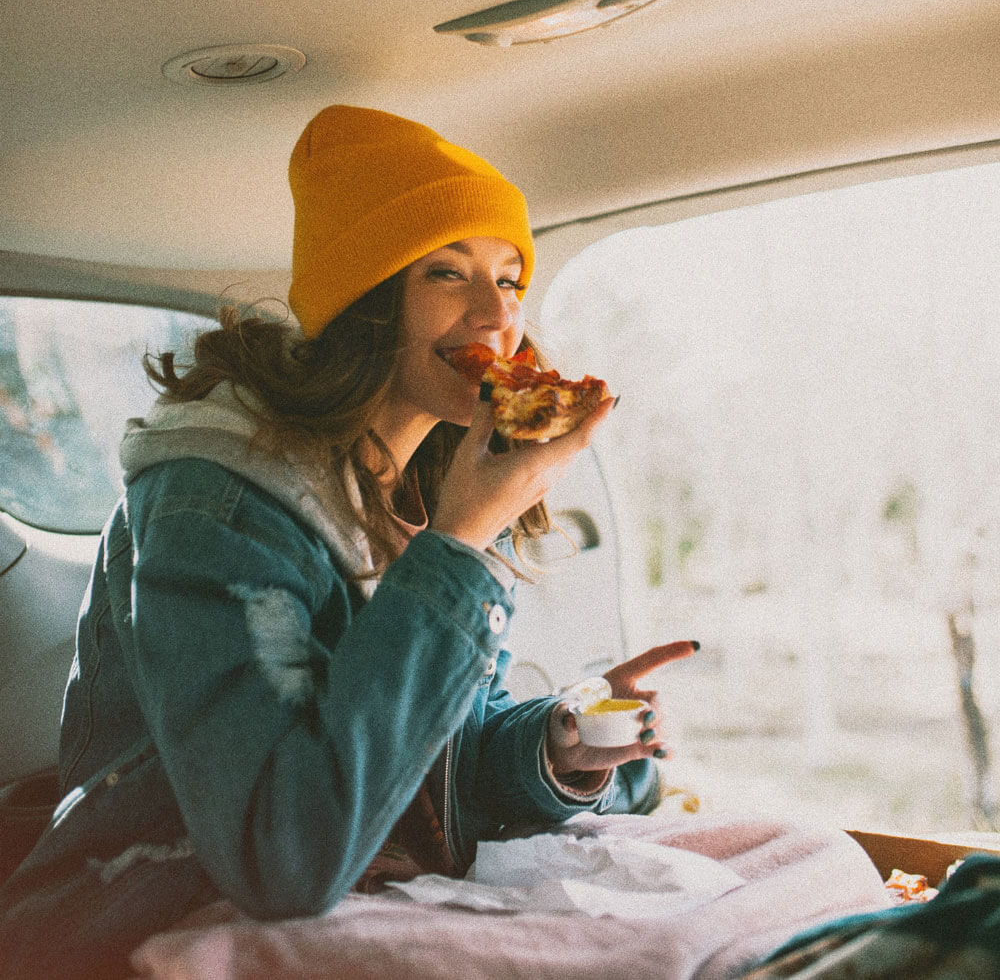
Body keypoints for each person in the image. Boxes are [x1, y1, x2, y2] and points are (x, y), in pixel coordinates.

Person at [0, 106, 696, 979]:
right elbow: (283, 855)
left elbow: (421, 758)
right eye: (448, 273)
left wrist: (557, 746)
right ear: (365, 304)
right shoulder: (214, 504)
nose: (498, 315)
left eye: (511, 279)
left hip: (368, 895)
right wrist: (460, 547)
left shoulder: (416, 490)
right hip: (150, 912)